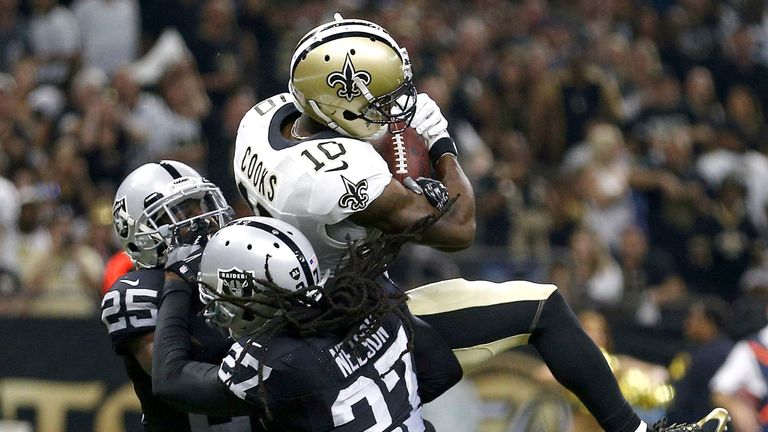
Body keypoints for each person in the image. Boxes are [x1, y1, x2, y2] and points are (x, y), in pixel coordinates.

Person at [232, 14, 729, 432]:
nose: (392, 112)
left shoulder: (265, 119)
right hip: (348, 331)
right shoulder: (330, 179)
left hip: (313, 314)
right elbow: (459, 230)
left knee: (540, 308)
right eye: (379, 103)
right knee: (540, 311)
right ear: (335, 103)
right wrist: (442, 144)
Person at [152, 215, 456, 431]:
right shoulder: (370, 296)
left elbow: (170, 380)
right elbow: (444, 370)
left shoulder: (270, 359)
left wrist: (175, 283)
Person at [101, 160, 254, 431]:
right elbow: (174, 378)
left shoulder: (235, 264)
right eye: (178, 212)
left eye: (198, 206)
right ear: (135, 231)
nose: (199, 220)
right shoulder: (135, 290)